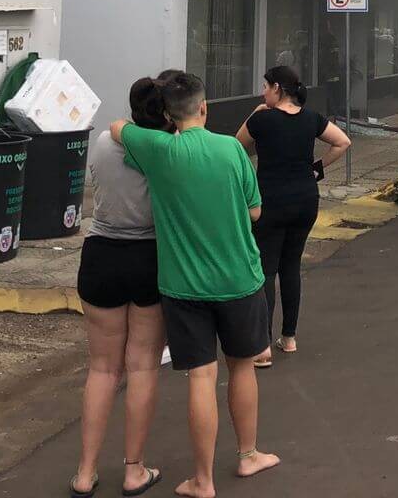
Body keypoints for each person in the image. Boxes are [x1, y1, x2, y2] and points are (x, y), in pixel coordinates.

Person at [111, 72, 280, 495]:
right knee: (242, 367)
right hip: (241, 279)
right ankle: (248, 456)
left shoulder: (158, 150)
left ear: (168, 115)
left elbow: (117, 128)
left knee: (201, 378)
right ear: (204, 107)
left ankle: (202, 480)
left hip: (183, 287)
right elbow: (256, 212)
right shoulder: (230, 150)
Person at [71, 77, 172, 498]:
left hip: (101, 256)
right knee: (142, 364)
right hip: (150, 258)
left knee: (101, 368)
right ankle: (134, 470)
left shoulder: (101, 143)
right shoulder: (168, 152)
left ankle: (84, 472)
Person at [237, 65, 350, 368]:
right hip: (304, 200)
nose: (263, 92)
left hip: (270, 202)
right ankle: (289, 338)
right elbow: (343, 142)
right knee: (290, 266)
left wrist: (255, 113)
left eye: (265, 87)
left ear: (277, 88)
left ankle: (262, 346)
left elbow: (236, 146)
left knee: (266, 269)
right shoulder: (311, 119)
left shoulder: (262, 119)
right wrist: (318, 168)